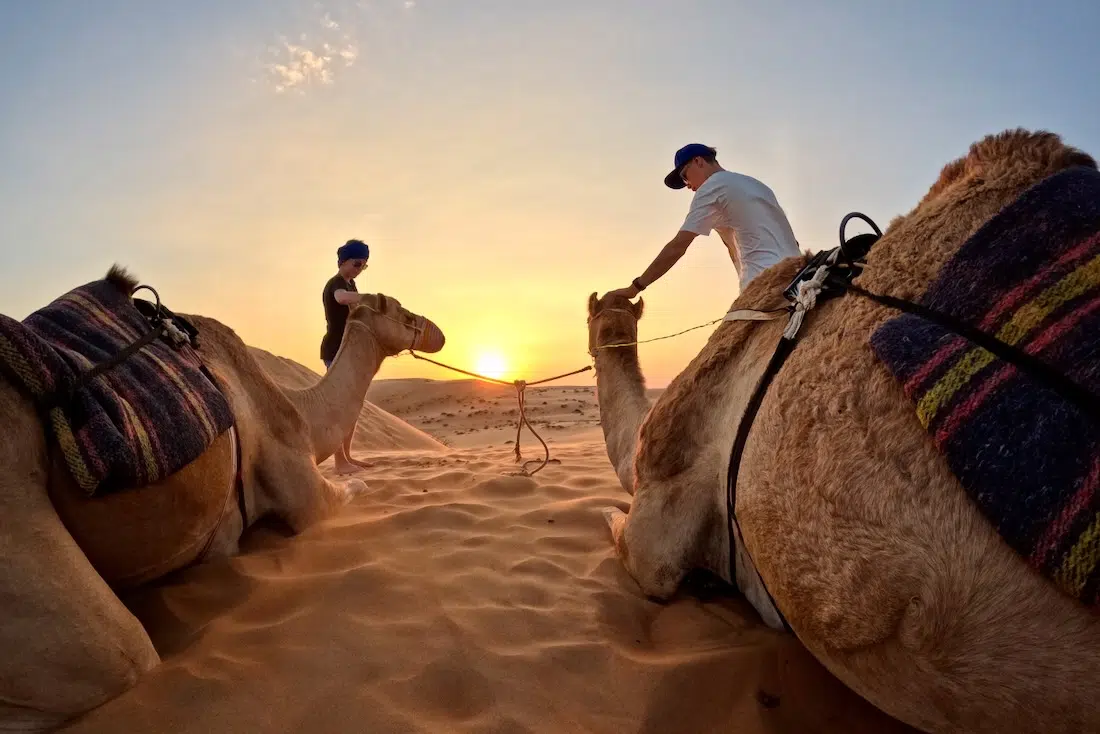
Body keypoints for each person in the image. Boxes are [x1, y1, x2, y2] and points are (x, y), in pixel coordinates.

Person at [602, 143, 801, 301]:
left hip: (764, 287)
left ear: (698, 161)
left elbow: (677, 247)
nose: (688, 186)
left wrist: (635, 288)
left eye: (684, 176)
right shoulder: (757, 185)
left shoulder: (711, 188)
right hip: (800, 278)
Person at [320, 239, 372, 475]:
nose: (359, 268)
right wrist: (370, 298)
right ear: (344, 261)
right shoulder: (336, 284)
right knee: (338, 407)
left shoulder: (351, 286)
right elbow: (341, 298)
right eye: (357, 263)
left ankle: (348, 456)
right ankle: (340, 462)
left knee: (351, 407)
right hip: (335, 351)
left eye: (364, 265)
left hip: (349, 351)